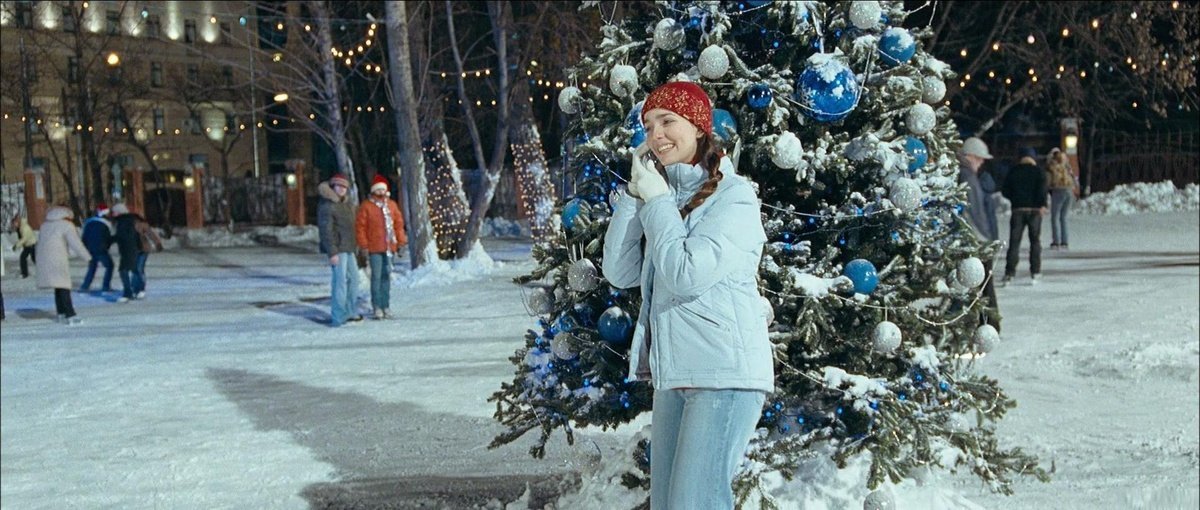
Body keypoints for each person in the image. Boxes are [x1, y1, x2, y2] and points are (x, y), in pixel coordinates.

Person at [601, 80, 773, 509]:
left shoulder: (734, 198)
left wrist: (657, 201)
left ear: (698, 127)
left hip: (723, 376)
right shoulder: (664, 197)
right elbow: (620, 272)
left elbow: (685, 274)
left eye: (667, 121)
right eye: (648, 126)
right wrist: (635, 194)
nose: (656, 135)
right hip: (675, 376)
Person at [957, 137, 1000, 319]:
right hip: (976, 241)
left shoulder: (965, 175)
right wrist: (986, 240)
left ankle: (987, 322)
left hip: (972, 239)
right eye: (980, 159)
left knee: (979, 286)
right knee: (983, 287)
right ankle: (989, 324)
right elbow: (975, 213)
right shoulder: (968, 177)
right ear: (971, 156)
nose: (981, 163)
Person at [355, 174, 406, 320]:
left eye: (383, 189)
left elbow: (398, 225)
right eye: (378, 189)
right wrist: (363, 245)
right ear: (373, 191)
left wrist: (401, 242)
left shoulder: (391, 205)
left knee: (386, 277)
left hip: (389, 247)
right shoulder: (366, 206)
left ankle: (386, 305)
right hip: (374, 248)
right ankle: (377, 306)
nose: (381, 192)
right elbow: (360, 227)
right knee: (376, 277)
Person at [317, 173, 364, 326]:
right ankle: (338, 316)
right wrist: (332, 252)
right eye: (339, 186)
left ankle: (349, 311)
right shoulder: (328, 205)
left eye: (344, 186)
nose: (342, 189)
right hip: (337, 249)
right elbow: (326, 231)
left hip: (349, 247)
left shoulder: (347, 204)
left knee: (354, 279)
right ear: (333, 187)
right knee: (340, 282)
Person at [1001, 148, 1049, 285]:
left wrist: (1015, 198)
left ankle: (1009, 273)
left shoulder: (1014, 171)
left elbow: (1005, 190)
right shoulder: (1038, 171)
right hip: (1035, 211)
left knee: (1014, 242)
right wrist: (1042, 204)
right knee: (1035, 241)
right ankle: (1035, 271)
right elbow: (1043, 189)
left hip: (1018, 209)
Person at [34, 205, 89, 324]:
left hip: (45, 259)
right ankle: (70, 314)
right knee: (64, 285)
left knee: (58, 286)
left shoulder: (45, 225)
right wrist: (87, 257)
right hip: (58, 259)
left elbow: (39, 244)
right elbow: (75, 243)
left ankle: (61, 313)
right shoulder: (66, 225)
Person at [112, 203, 162, 302]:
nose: (113, 214)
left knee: (138, 269)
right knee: (135, 269)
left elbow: (149, 232)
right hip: (131, 250)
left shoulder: (136, 221)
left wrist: (157, 243)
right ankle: (135, 288)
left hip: (142, 249)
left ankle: (140, 289)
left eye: (114, 212)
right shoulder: (119, 222)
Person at [79, 202, 116, 293]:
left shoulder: (89, 223)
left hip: (90, 249)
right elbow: (107, 238)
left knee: (92, 267)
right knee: (110, 266)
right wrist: (111, 243)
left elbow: (84, 237)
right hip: (101, 249)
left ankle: (85, 286)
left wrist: (86, 247)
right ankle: (106, 286)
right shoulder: (105, 224)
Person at [1045, 148, 1077, 250]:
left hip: (1058, 190)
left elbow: (1048, 181)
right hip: (1069, 190)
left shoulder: (1051, 166)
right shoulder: (1067, 165)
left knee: (1055, 217)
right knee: (1064, 217)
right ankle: (1065, 241)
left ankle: (1056, 241)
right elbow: (1074, 177)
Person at [12, 214, 38, 278]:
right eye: (13, 224)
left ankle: (45, 270)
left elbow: (24, 238)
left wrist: (16, 245)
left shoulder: (24, 227)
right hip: (28, 245)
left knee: (33, 259)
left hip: (31, 245)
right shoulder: (20, 227)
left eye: (14, 223)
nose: (14, 225)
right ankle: (24, 274)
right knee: (24, 258)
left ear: (18, 221)